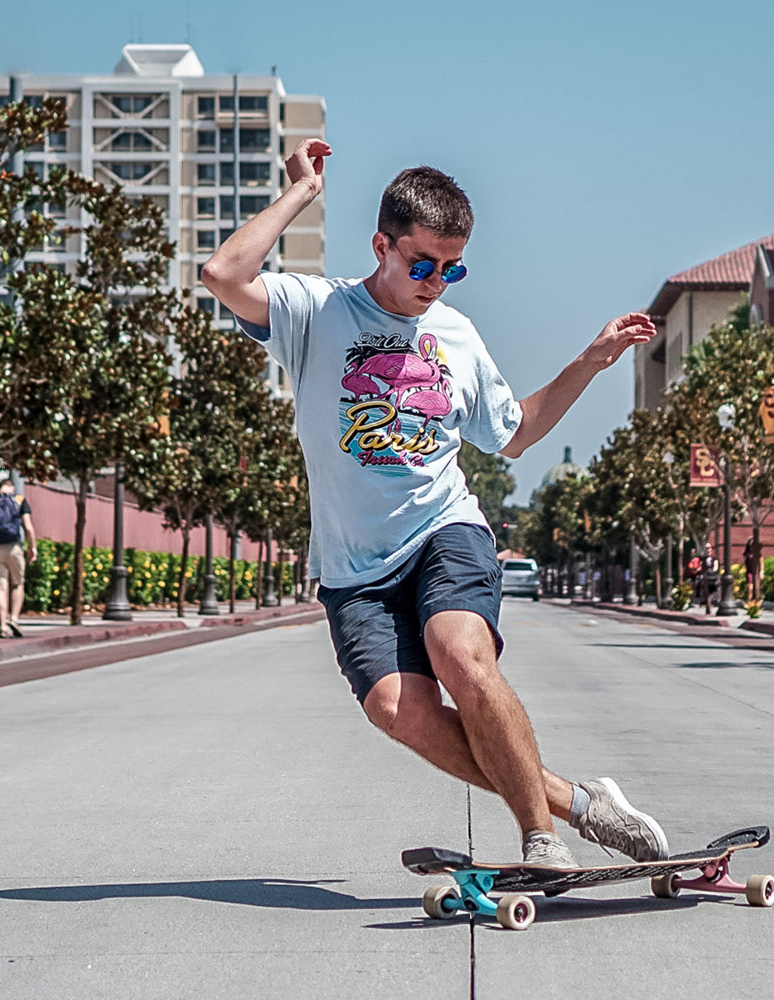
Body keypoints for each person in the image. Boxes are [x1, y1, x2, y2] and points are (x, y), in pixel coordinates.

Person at [203, 139, 666, 869]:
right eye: (422, 265)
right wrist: (302, 194)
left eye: (453, 268)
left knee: (460, 655)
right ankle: (578, 804)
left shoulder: (455, 334)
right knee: (400, 712)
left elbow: (512, 436)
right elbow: (223, 273)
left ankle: (539, 839)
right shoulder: (316, 311)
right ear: (380, 246)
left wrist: (591, 359)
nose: (437, 283)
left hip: (443, 529)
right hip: (355, 567)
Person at [0, 479, 38, 638]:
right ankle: (14, 619)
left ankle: (2, 626)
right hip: (14, 548)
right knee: (18, 584)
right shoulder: (19, 500)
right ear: (11, 487)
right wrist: (33, 547)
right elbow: (29, 527)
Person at [743, 536, 763, 603]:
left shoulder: (758, 553)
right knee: (750, 588)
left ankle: (756, 603)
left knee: (756, 588)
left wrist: (761, 571)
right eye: (750, 544)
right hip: (749, 572)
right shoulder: (747, 554)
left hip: (756, 572)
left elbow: (761, 562)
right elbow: (745, 563)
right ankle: (750, 604)